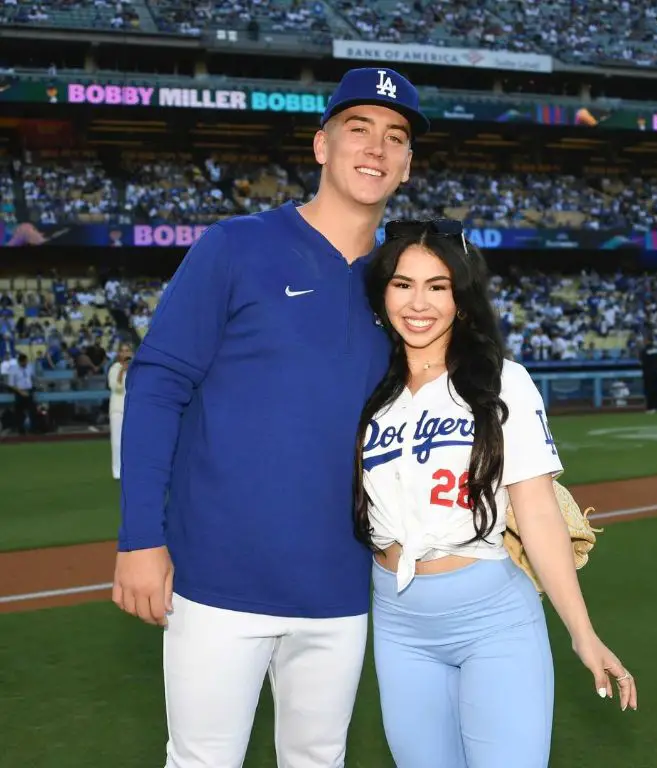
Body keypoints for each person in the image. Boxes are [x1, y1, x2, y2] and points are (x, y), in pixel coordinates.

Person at [111, 66, 429, 768]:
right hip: (217, 577)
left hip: (342, 583)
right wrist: (140, 536)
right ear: (321, 146)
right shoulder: (237, 246)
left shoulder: (406, 287)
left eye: (395, 137)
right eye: (358, 129)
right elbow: (158, 383)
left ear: (407, 166)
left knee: (317, 760)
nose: (376, 147)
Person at [354, 220, 638, 768]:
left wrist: (583, 633)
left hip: (492, 617)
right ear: (382, 292)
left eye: (438, 286)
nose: (419, 302)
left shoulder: (502, 381)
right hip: (398, 621)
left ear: (461, 299)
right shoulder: (367, 388)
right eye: (402, 283)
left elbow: (535, 511)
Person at [107, 342, 133, 480]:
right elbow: (115, 387)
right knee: (117, 441)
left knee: (132, 441)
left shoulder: (136, 370)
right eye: (122, 351)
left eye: (127, 350)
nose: (125, 353)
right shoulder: (114, 369)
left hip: (133, 408)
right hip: (117, 408)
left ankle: (130, 468)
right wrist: (122, 371)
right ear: (119, 354)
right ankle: (117, 471)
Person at [7, 353, 36, 435]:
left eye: (27, 362)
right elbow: (11, 384)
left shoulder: (29, 367)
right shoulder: (13, 370)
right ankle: (21, 430)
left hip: (29, 390)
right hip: (19, 391)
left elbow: (32, 378)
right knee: (19, 411)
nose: (26, 363)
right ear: (20, 362)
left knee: (33, 410)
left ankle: (33, 429)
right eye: (25, 362)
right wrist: (21, 392)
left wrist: (33, 388)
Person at [639, 332, 657, 412]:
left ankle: (651, 407)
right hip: (656, 372)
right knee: (656, 389)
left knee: (649, 390)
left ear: (647, 340)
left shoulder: (644, 350)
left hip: (648, 373)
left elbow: (641, 363)